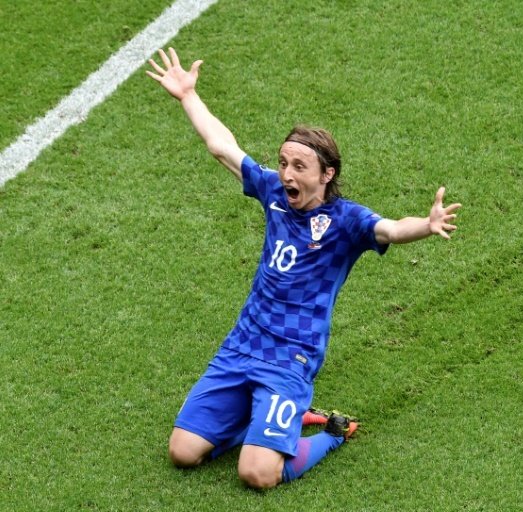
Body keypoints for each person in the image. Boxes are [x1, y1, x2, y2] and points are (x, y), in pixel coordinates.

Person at [146, 47, 461, 489]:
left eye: (299, 166)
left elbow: (390, 229)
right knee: (182, 453)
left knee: (256, 474)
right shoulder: (273, 192)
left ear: (326, 174)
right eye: (283, 163)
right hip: (242, 345)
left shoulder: (347, 221)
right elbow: (223, 148)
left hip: (290, 359)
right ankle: (260, 421)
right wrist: (187, 96)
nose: (287, 173)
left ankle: (331, 432)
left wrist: (426, 226)